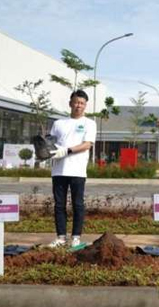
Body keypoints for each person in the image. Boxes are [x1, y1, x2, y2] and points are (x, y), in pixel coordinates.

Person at [48, 90, 97, 248]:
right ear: (70, 103)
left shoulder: (89, 123)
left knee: (78, 204)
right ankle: (61, 237)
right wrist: (47, 152)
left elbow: (87, 144)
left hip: (77, 171)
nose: (78, 106)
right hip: (59, 171)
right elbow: (50, 143)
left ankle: (76, 237)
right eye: (76, 102)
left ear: (85, 106)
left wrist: (67, 150)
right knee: (59, 205)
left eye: (82, 103)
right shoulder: (59, 123)